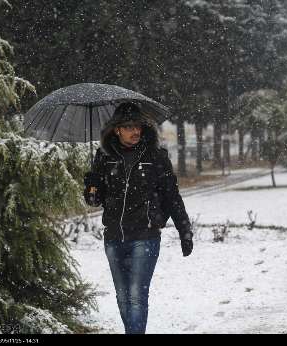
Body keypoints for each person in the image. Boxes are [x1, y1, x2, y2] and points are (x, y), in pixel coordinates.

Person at [83, 102, 193, 334]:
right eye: (129, 127)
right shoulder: (104, 157)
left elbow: (172, 196)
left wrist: (185, 230)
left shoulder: (155, 156)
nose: (135, 131)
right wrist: (92, 183)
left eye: (138, 126)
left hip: (145, 236)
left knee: (136, 296)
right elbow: (94, 200)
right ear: (116, 130)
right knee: (122, 298)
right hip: (113, 237)